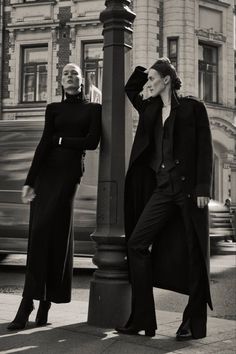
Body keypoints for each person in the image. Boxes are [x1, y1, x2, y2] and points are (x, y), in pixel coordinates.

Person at [115, 57, 213, 340]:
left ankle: (191, 323)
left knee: (194, 256)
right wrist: (149, 69)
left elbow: (204, 149)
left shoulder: (193, 108)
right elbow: (130, 87)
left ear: (167, 80)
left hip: (189, 192)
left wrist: (204, 188)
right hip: (160, 190)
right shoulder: (150, 109)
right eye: (150, 80)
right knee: (136, 243)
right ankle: (143, 318)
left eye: (154, 80)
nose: (149, 85)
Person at [7, 63, 101, 330]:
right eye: (66, 74)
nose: (70, 76)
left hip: (68, 176)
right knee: (38, 236)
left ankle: (45, 301)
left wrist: (61, 141)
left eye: (75, 74)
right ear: (61, 81)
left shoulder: (93, 109)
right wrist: (29, 181)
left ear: (82, 81)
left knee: (56, 235)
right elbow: (43, 144)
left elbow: (91, 142)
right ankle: (28, 303)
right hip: (44, 176)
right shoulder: (53, 109)